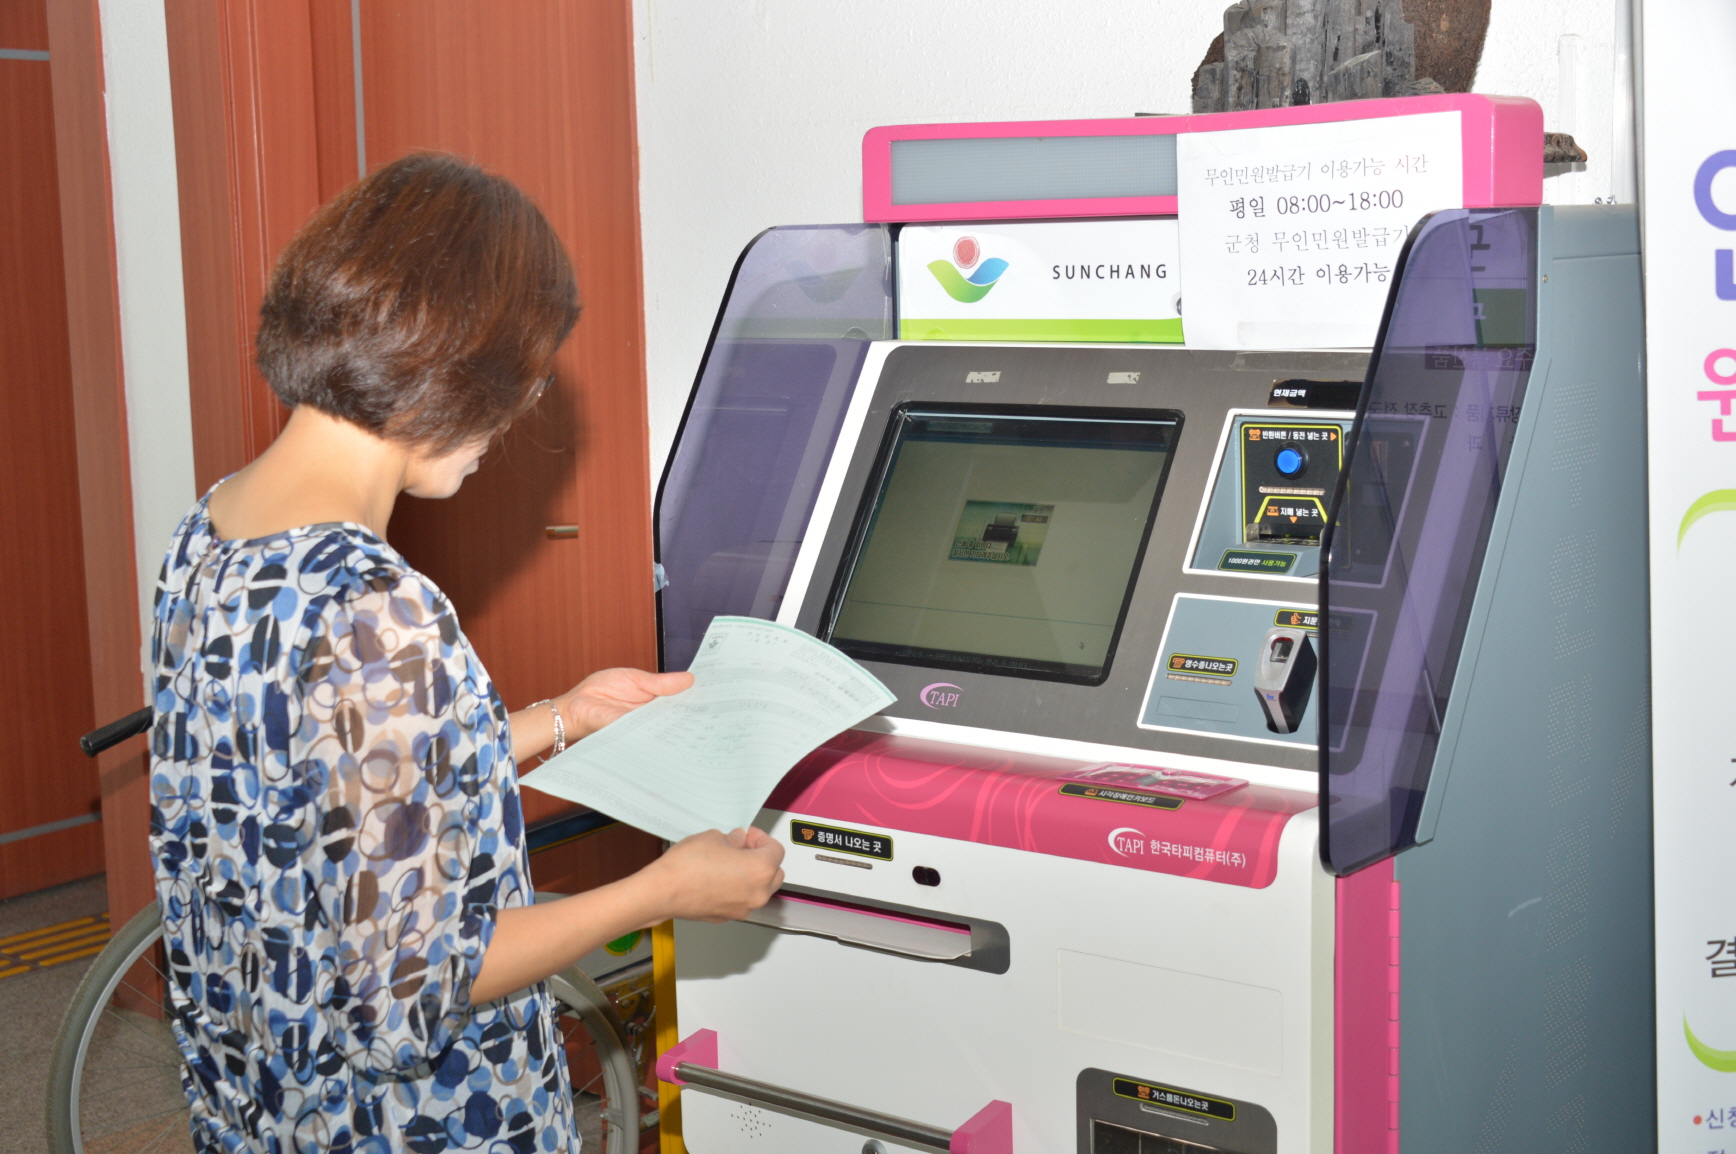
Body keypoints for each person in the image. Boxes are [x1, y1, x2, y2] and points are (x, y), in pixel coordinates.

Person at [147, 152, 785, 1154]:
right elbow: (423, 980)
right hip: (408, 1121)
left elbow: (314, 785)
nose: (521, 412)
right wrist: (662, 890)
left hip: (266, 1091)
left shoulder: (217, 526)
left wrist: (563, 717)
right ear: (455, 365)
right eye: (524, 377)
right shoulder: (378, 607)